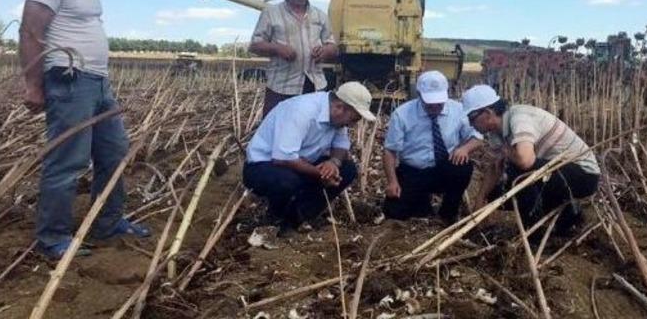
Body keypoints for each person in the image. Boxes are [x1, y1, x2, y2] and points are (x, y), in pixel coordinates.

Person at [19, 0, 150, 259]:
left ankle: (107, 222)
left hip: (97, 80)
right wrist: (33, 84)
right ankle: (53, 239)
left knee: (115, 152)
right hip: (69, 79)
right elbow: (30, 32)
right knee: (68, 160)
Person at [461, 85, 600, 236]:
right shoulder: (496, 133)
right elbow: (494, 168)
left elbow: (525, 161)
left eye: (472, 118)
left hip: (583, 175)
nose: (470, 124)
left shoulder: (520, 117)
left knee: (518, 173)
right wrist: (481, 200)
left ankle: (533, 233)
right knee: (496, 192)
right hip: (554, 174)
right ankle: (567, 214)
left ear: (487, 113)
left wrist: (506, 151)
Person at [243, 82, 375, 234]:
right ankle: (274, 218)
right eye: (353, 119)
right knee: (287, 182)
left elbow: (341, 146)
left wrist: (333, 163)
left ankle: (297, 218)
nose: (351, 125)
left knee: (348, 170)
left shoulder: (337, 119)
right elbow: (283, 159)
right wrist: (321, 174)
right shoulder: (302, 111)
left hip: (302, 163)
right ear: (339, 107)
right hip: (264, 165)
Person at [382, 71, 483, 224]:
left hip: (444, 168)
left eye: (439, 102)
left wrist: (464, 149)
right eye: (430, 103)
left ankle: (448, 212)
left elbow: (478, 137)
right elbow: (390, 151)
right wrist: (392, 182)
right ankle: (422, 202)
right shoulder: (402, 114)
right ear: (419, 94)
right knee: (395, 212)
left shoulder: (458, 110)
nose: (435, 106)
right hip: (413, 171)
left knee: (462, 168)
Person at [249, 0, 338, 117]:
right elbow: (255, 45)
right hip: (282, 87)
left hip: (314, 85)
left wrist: (325, 51)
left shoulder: (320, 15)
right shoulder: (271, 13)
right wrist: (278, 49)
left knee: (311, 133)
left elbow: (333, 46)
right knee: (275, 130)